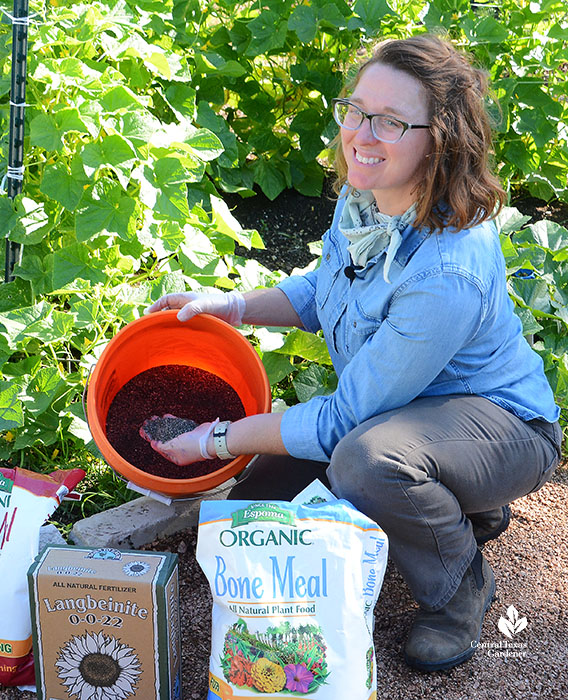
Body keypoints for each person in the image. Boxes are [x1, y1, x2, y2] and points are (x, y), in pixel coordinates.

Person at [144, 34, 562, 673]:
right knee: (248, 517)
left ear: (440, 139)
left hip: (500, 429)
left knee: (366, 463)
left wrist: (215, 440)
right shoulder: (368, 197)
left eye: (391, 121)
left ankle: (459, 589)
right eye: (357, 110)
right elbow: (323, 289)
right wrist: (231, 306)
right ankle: (458, 503)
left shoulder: (448, 269)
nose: (362, 134)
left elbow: (343, 422)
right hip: (400, 410)